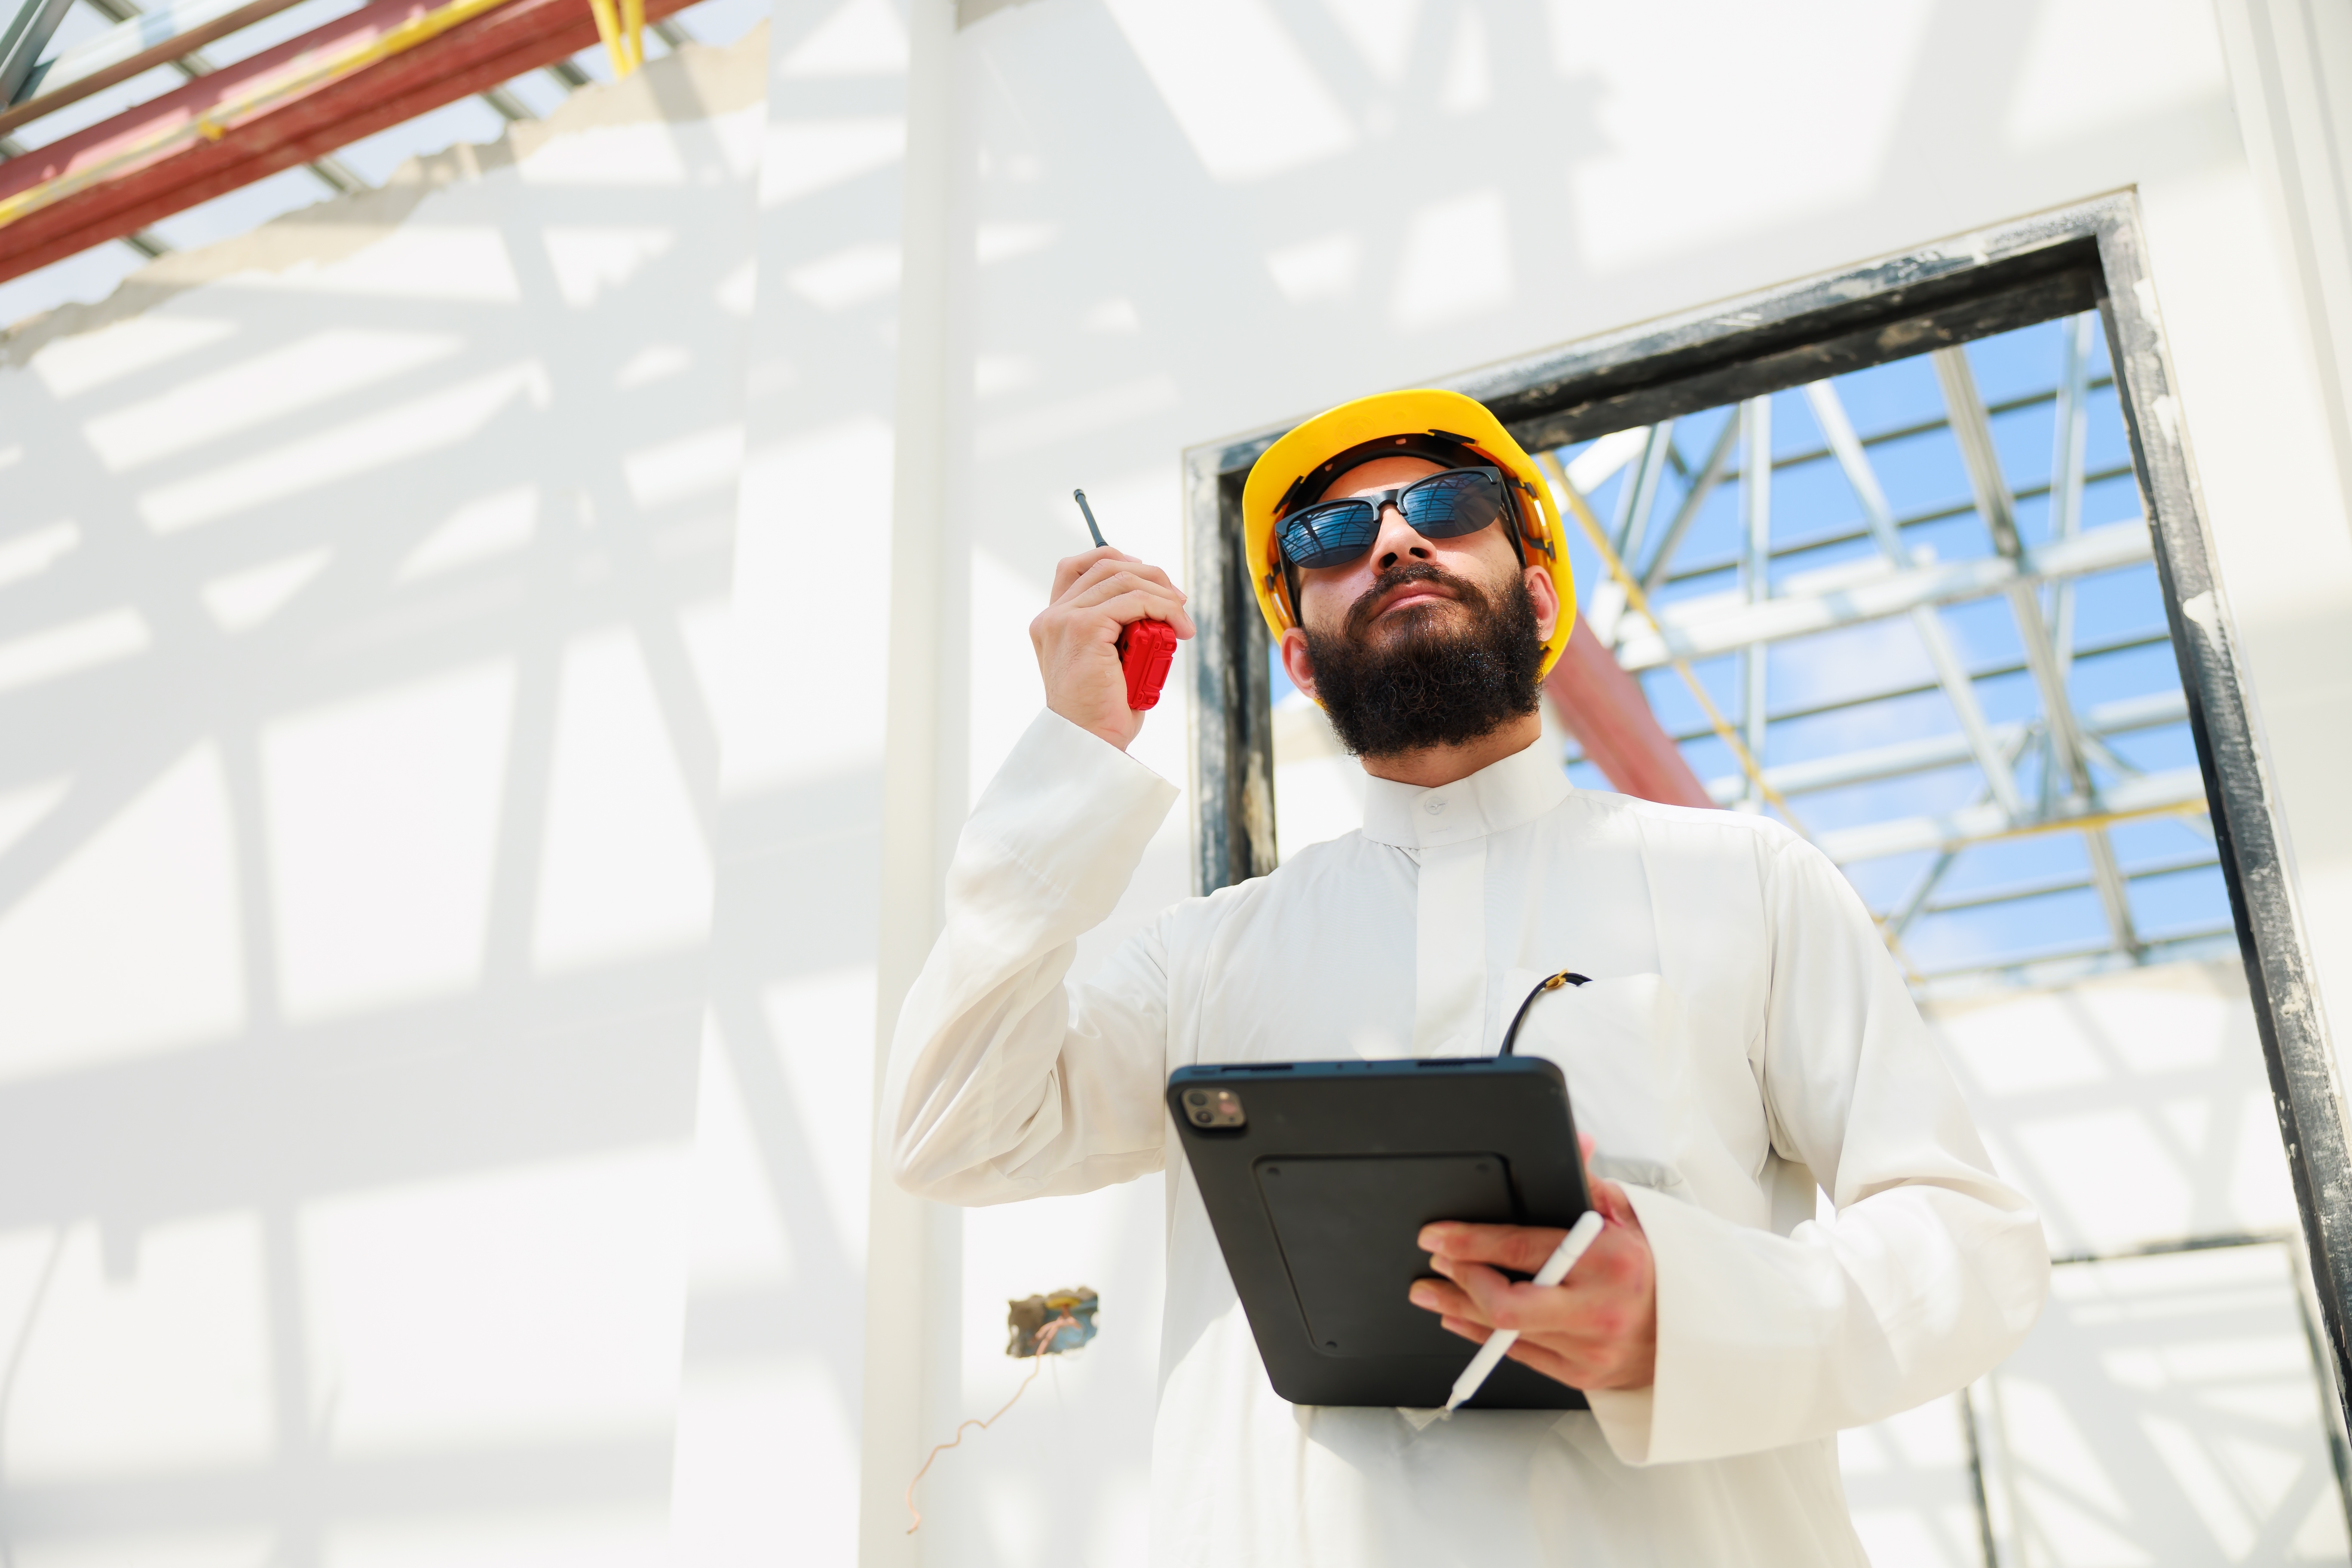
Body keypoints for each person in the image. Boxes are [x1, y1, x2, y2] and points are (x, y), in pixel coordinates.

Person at [883, 388, 2048, 1565]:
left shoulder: (1747, 881)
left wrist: (1691, 1319)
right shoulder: (1203, 956)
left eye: (1445, 507)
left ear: (1538, 594)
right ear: (1298, 657)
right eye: (1330, 539)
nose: (1393, 539)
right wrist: (1074, 759)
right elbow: (953, 1131)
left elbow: (1970, 1241)